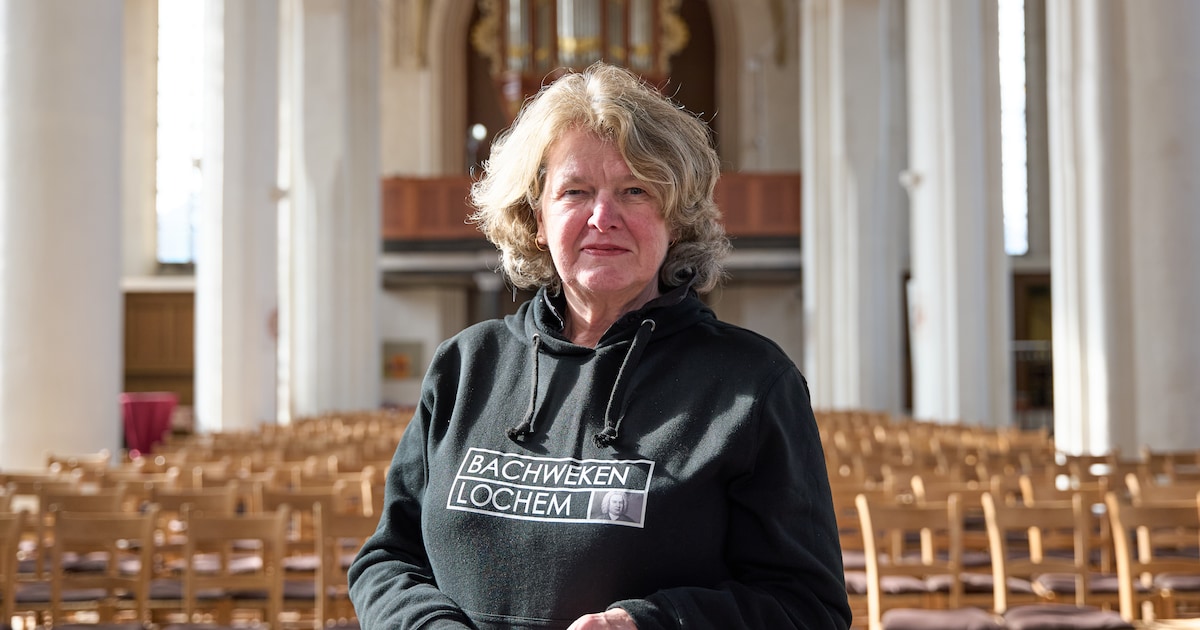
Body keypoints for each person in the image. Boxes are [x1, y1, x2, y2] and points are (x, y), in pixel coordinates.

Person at [349, 62, 851, 630]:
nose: (602, 217)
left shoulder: (752, 385)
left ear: (675, 216)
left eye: (634, 191)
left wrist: (651, 624)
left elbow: (809, 609)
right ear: (536, 217)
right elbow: (388, 559)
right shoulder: (466, 367)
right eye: (575, 191)